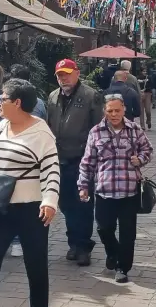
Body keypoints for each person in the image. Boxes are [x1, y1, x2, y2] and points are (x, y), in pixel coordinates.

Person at [0, 79, 60, 307]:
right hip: (0, 207)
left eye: (3, 98)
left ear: (18, 102)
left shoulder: (41, 132)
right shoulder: (2, 125)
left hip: (32, 210)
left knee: (36, 267)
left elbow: (52, 169)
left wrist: (50, 202)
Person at [77, 95, 153, 283]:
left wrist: (140, 159)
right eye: (110, 110)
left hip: (129, 190)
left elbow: (148, 150)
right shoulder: (96, 132)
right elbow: (88, 162)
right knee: (104, 228)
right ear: (105, 111)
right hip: (105, 190)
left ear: (124, 109)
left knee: (128, 233)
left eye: (117, 110)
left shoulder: (134, 130)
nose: (113, 114)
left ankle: (123, 267)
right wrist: (83, 185)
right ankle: (112, 252)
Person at [45, 59, 104, 266]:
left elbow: (99, 128)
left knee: (84, 204)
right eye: (60, 75)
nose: (64, 79)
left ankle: (84, 246)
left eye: (67, 74)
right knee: (66, 204)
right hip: (59, 160)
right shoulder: (53, 97)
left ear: (77, 73)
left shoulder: (91, 96)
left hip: (82, 159)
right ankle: (73, 242)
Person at [0, 65, 46, 258]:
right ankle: (18, 241)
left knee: (5, 200)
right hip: (30, 162)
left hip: (7, 162)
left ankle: (10, 240)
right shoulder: (40, 103)